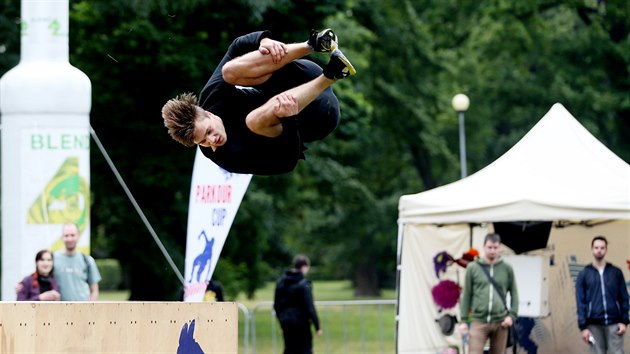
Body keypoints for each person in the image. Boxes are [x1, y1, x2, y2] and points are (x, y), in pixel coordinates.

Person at [162, 29, 356, 175]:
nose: (212, 141)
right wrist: (289, 120)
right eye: (202, 142)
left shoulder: (211, 98)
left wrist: (264, 40)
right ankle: (334, 72)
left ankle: (314, 44)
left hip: (303, 76)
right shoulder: (223, 156)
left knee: (230, 71)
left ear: (209, 114)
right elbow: (285, 165)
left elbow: (237, 46)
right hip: (317, 115)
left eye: (208, 132)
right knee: (253, 120)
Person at [459, 233, 519, 354]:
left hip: (500, 322)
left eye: (495, 247)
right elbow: (466, 295)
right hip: (478, 320)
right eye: (489, 247)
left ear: (499, 248)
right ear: (484, 247)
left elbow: (514, 293)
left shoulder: (507, 268)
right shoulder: (473, 268)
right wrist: (464, 320)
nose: (492, 250)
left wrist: (511, 316)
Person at [575, 235, 629, 354]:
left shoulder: (616, 272)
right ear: (592, 249)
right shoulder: (584, 274)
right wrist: (583, 327)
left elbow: (624, 298)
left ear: (606, 249)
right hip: (593, 324)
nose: (599, 250)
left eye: (602, 247)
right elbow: (580, 302)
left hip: (615, 323)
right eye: (596, 247)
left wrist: (624, 321)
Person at [273, 255, 322, 354]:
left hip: (286, 321)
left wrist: (281, 322)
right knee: (305, 349)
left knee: (290, 349)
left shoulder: (281, 282)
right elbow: (310, 307)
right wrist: (317, 326)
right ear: (304, 267)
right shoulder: (304, 284)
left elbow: (276, 305)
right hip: (301, 323)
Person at [54, 223, 102, 301]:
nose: (69, 239)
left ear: (78, 236)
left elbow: (94, 290)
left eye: (72, 235)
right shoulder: (52, 259)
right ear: (62, 237)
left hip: (82, 310)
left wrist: (90, 308)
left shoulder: (87, 260)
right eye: (66, 235)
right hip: (59, 310)